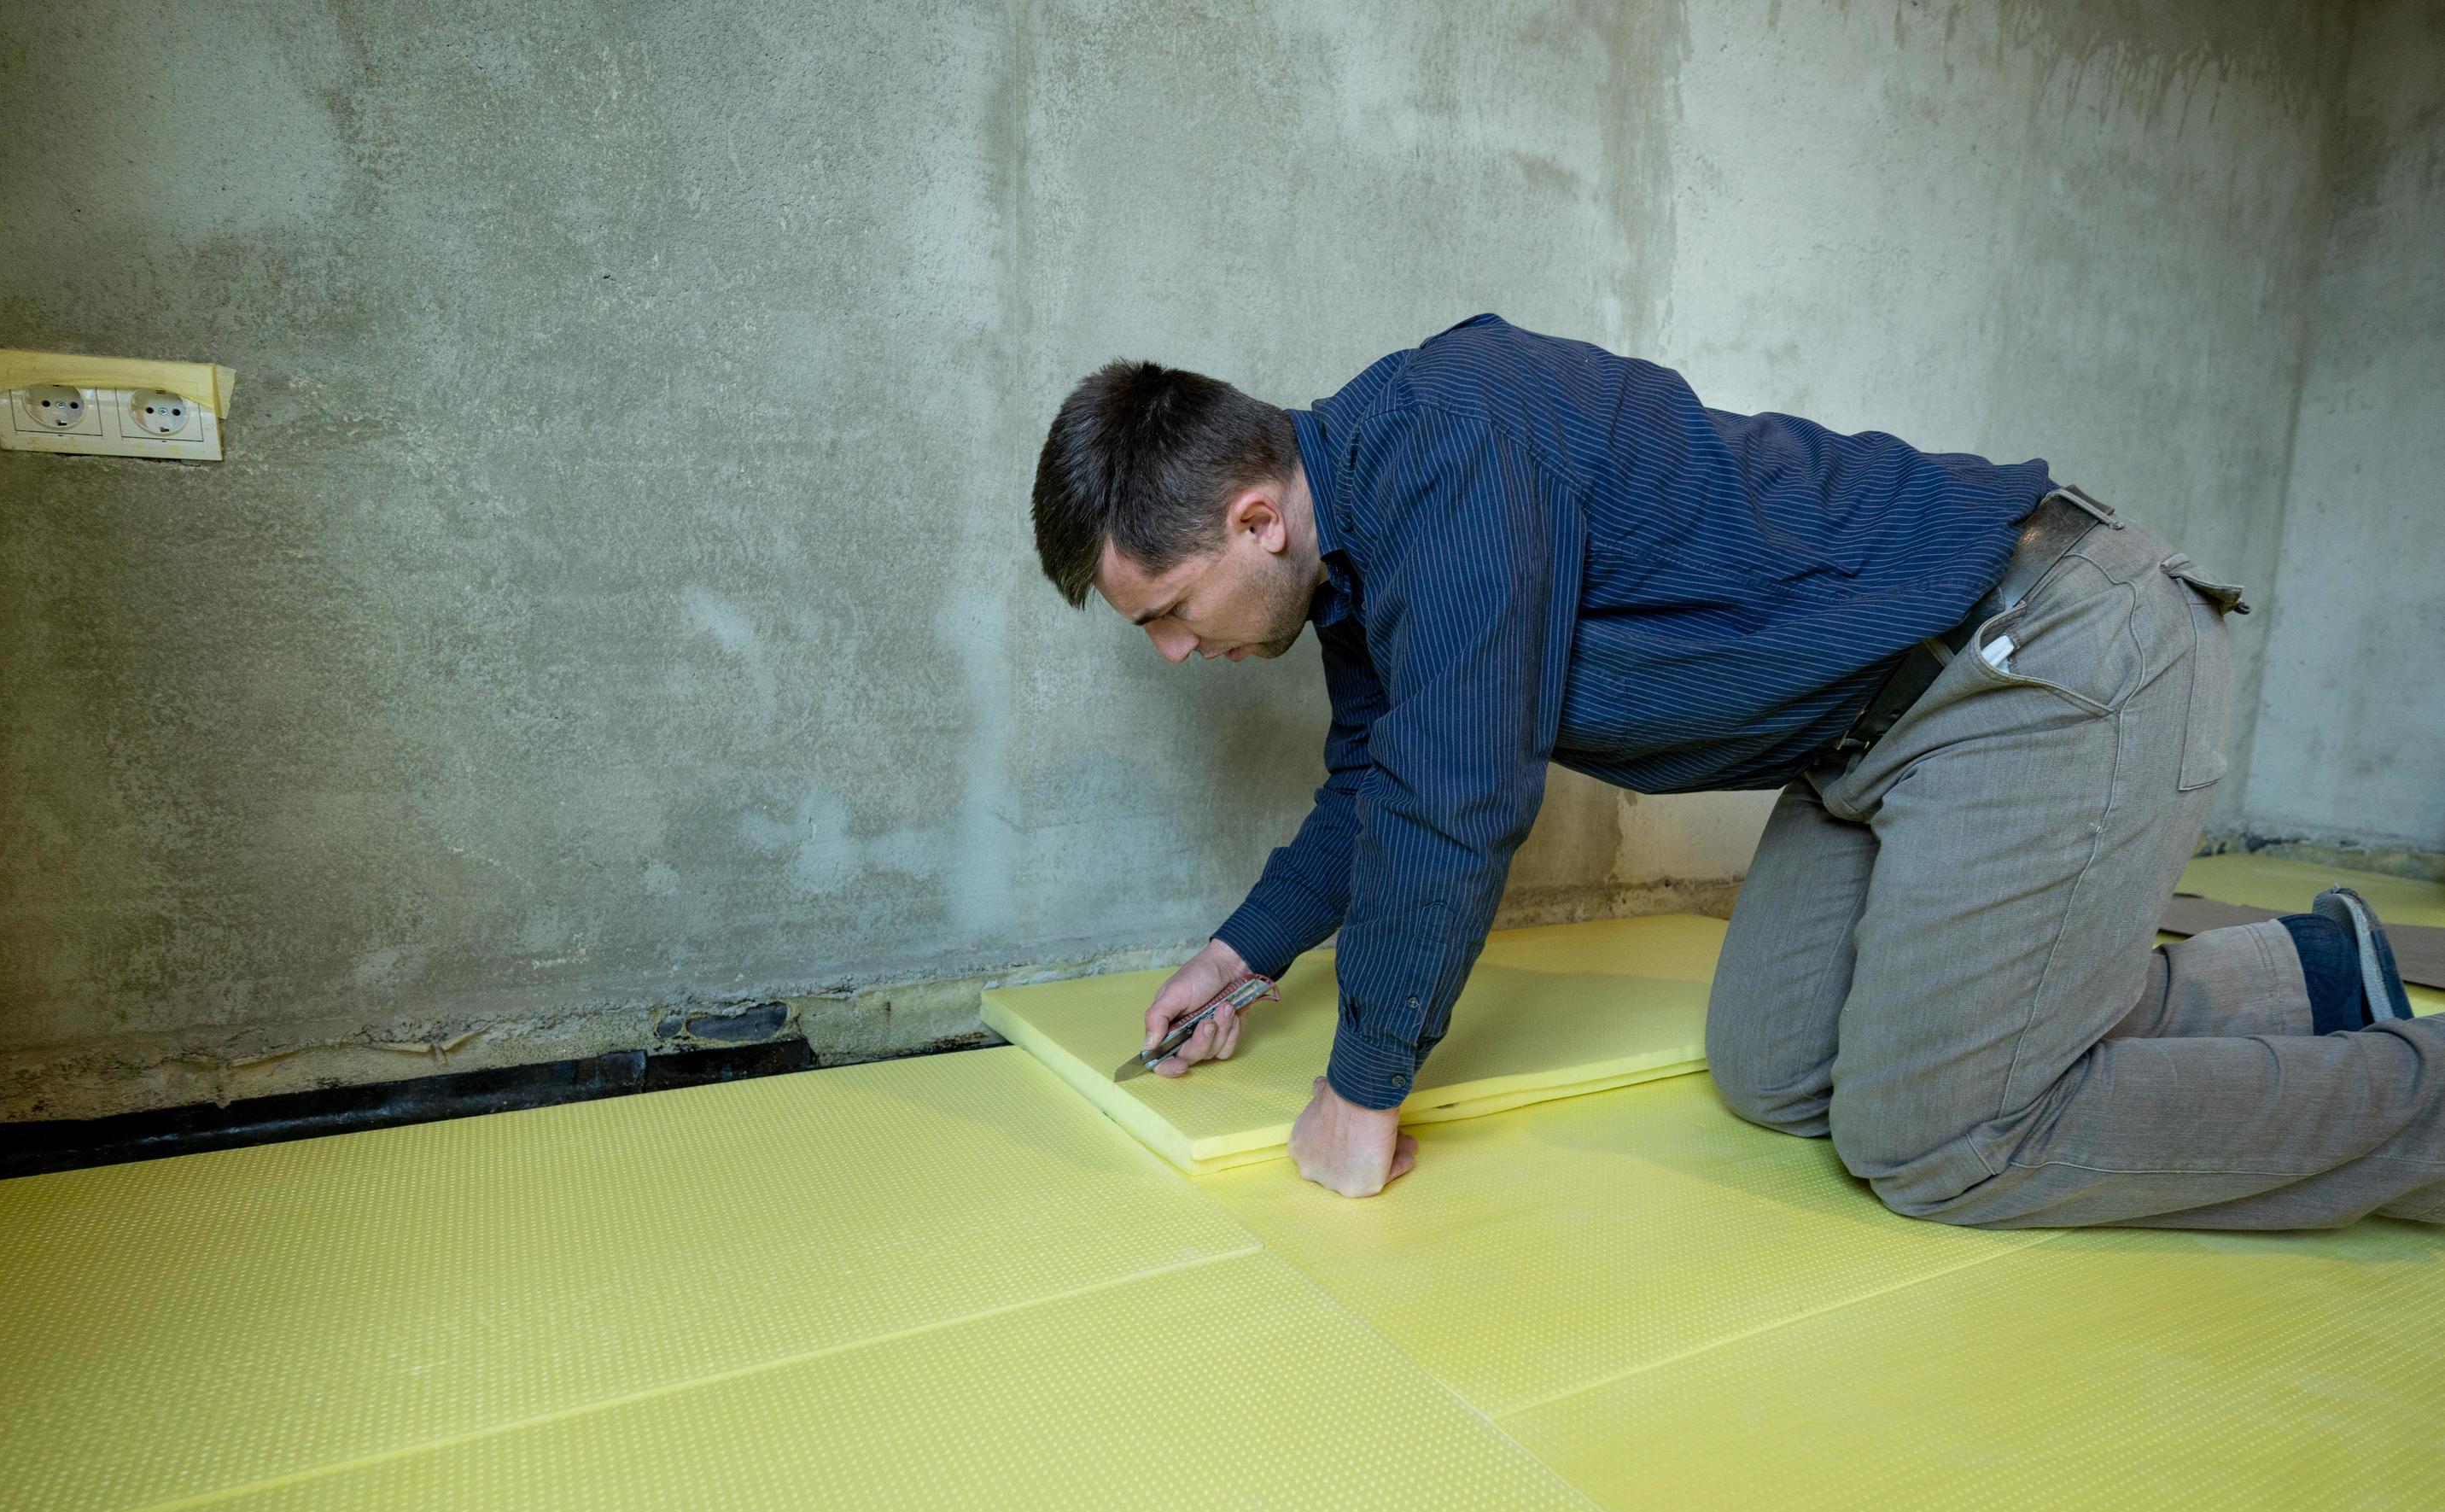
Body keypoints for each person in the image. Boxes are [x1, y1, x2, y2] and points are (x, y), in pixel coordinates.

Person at [1027, 313, 2442, 1227]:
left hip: (2048, 656)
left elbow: (1455, 804)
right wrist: (1243, 953)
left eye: (1162, 610)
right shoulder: (1361, 559)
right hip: (1873, 738)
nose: (1169, 650)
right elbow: (1383, 781)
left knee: (1945, 1138)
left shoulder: (1451, 439)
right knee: (1775, 1076)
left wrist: (1360, 1088)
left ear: (1255, 515)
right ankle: (2309, 976)